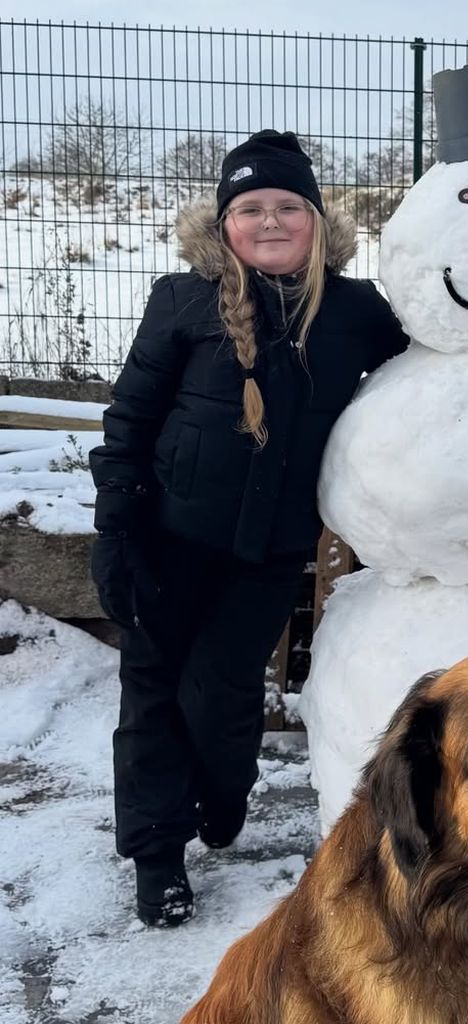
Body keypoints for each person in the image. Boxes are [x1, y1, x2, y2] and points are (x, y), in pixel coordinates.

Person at [89, 130, 407, 927]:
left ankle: (224, 789)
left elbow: (430, 358)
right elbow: (130, 420)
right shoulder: (182, 302)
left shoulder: (355, 311)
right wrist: (116, 531)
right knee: (153, 690)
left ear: (317, 219)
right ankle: (157, 854)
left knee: (222, 689)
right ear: (225, 223)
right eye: (250, 207)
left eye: (287, 206)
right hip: (169, 537)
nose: (269, 221)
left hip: (272, 550)